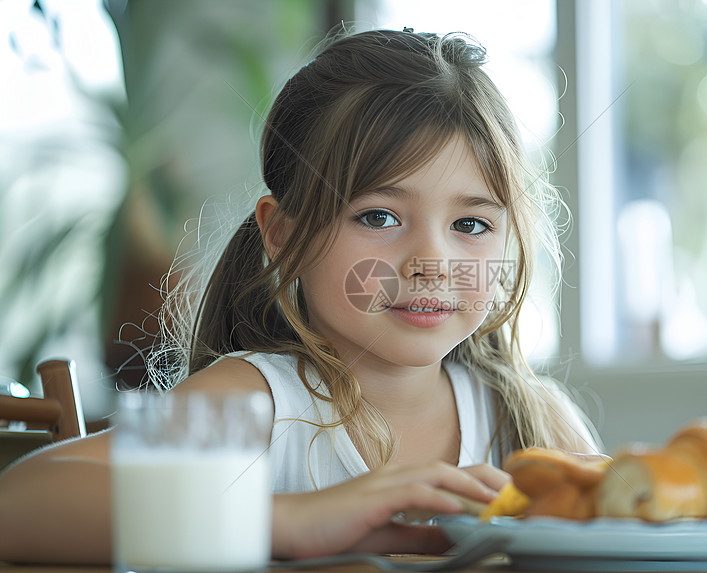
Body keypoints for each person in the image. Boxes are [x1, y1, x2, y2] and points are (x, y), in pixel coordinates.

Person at [0, 28, 601, 564]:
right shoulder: (264, 403)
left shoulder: (529, 419)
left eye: (470, 225)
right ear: (284, 234)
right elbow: (18, 506)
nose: (430, 264)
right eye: (380, 216)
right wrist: (289, 523)